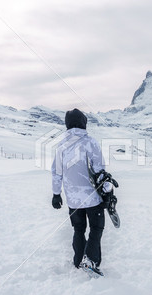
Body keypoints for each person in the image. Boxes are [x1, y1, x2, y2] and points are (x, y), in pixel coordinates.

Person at [51, 108, 106, 276]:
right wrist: (105, 192)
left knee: (78, 229)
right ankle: (90, 261)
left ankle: (78, 261)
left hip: (73, 199)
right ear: (83, 123)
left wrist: (56, 194)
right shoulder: (90, 142)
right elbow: (100, 170)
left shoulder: (61, 146)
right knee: (96, 227)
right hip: (92, 197)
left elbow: (56, 172)